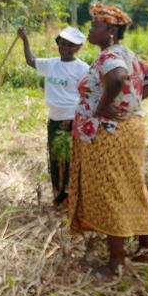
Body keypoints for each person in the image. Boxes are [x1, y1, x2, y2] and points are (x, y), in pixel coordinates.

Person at [67, 2, 148, 280]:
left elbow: (118, 77)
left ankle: (117, 263)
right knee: (131, 185)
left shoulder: (109, 56)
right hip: (129, 128)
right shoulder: (128, 54)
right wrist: (129, 104)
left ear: (110, 30)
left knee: (111, 191)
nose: (90, 30)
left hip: (108, 134)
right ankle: (145, 247)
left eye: (95, 25)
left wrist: (103, 108)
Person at [18, 26, 90, 207]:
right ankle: (58, 194)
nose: (65, 48)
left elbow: (89, 93)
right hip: (54, 119)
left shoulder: (82, 69)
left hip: (72, 119)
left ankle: (71, 197)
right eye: (62, 44)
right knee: (56, 157)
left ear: (77, 48)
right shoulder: (51, 64)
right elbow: (31, 60)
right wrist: (25, 40)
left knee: (70, 157)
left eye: (70, 45)